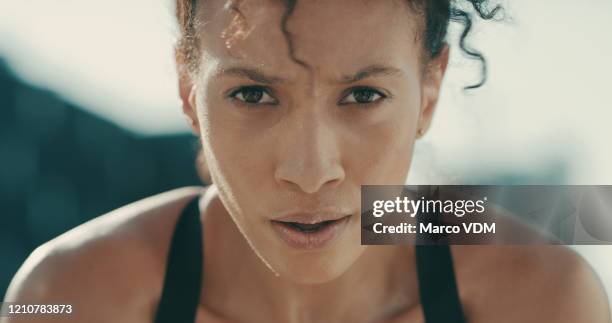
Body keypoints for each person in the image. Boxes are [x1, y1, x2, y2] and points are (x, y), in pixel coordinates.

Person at [3, 0, 610, 322]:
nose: (311, 169)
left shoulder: (544, 299)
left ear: (431, 89)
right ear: (188, 91)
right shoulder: (65, 297)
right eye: (254, 93)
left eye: (363, 95)